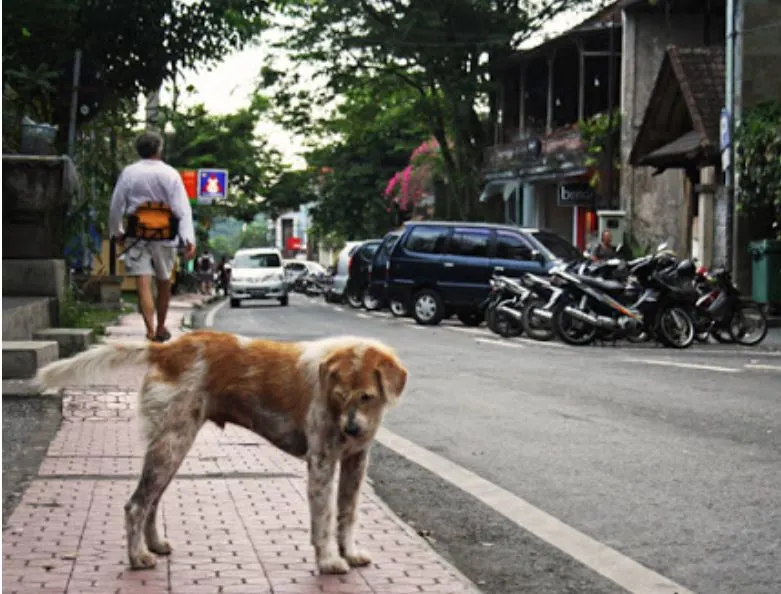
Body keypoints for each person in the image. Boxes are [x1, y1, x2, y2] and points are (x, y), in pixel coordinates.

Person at [109, 130, 196, 342]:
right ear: (159, 149)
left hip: (136, 234)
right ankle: (161, 326)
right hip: (166, 236)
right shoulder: (170, 174)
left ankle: (149, 329)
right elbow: (181, 209)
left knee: (143, 282)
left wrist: (117, 232)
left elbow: (116, 204)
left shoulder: (129, 173)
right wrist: (188, 239)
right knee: (164, 282)